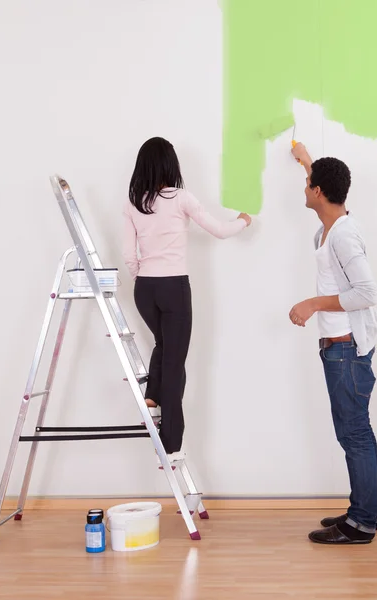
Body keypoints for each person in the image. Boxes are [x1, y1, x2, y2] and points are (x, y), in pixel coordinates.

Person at [123, 137, 251, 461]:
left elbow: (129, 256)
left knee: (164, 346)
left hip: (145, 289)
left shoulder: (133, 202)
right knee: (174, 361)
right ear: (170, 164)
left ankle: (152, 397)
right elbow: (220, 230)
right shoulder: (181, 198)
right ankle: (171, 446)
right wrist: (244, 220)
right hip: (174, 286)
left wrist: (143, 274)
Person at [290, 142, 377, 545]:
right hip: (340, 348)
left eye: (309, 183)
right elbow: (322, 182)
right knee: (355, 432)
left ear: (319, 193)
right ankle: (364, 511)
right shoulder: (331, 225)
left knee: (355, 434)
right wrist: (308, 163)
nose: (305, 186)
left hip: (346, 350)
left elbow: (367, 291)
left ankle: (362, 522)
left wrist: (312, 303)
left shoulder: (343, 236)